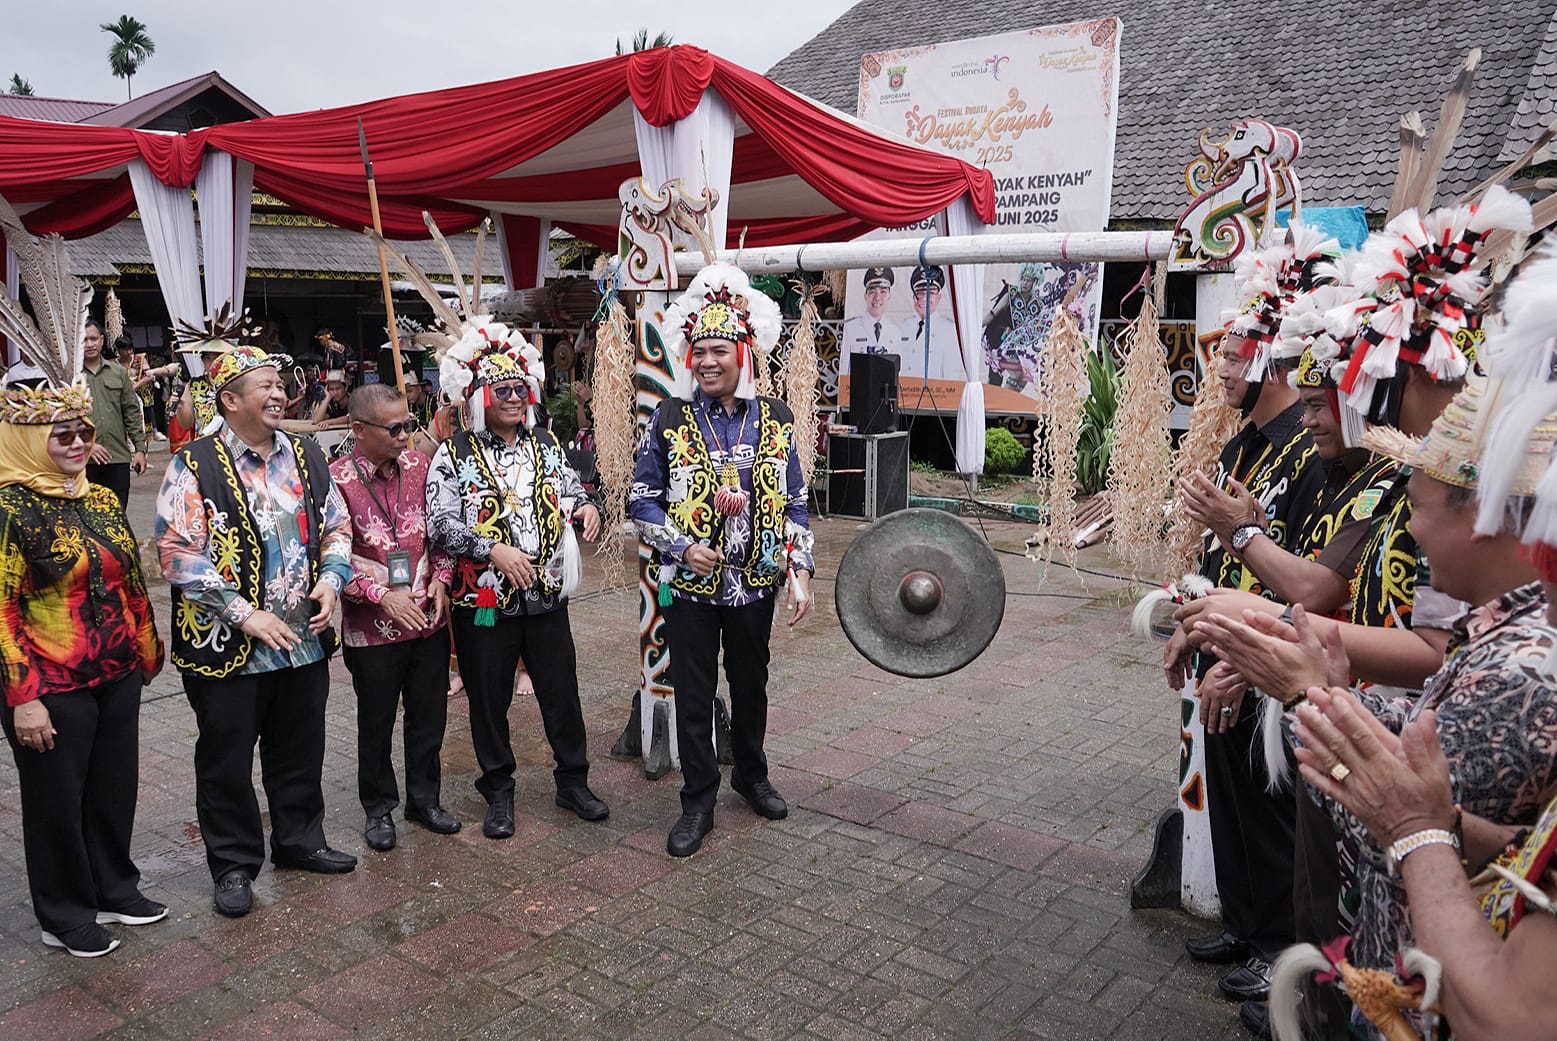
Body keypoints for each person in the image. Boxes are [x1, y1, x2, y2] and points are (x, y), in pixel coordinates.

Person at [1196, 379, 1557, 1041]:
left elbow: (1389, 819)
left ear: (1483, 520)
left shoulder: (1521, 672)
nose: (1412, 529)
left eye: (1419, 509)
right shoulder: (1500, 633)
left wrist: (1310, 698)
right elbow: (1455, 817)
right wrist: (1335, 696)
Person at [1164, 231, 1330, 1015]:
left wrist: (1241, 651)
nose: (1222, 370)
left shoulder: (1307, 451)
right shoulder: (1245, 444)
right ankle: (1245, 923)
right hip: (1224, 647)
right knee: (1229, 799)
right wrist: (1193, 625)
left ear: (1271, 356)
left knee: (1269, 811)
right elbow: (1222, 553)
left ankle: (1276, 950)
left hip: (1269, 659)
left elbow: (1301, 576)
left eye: (1234, 357)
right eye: (1221, 356)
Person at [0, 224, 166, 959]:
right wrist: (22, 696)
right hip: (52, 681)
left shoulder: (97, 496)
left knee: (113, 785)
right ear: (27, 436)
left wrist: (146, 648)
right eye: (60, 434)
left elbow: (129, 575)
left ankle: (114, 887)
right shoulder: (8, 508)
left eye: (81, 432)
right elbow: (0, 610)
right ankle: (65, 911)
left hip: (115, 671)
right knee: (55, 800)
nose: (75, 444)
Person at [155, 344, 357, 918]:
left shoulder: (307, 454)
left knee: (299, 749)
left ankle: (300, 840)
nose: (278, 393)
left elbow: (337, 524)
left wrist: (332, 578)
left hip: (302, 641)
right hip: (229, 647)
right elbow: (177, 552)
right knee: (226, 759)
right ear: (229, 400)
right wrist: (245, 614)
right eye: (264, 385)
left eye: (279, 384)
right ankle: (233, 864)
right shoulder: (194, 464)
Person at [629, 263, 816, 857]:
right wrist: (681, 546)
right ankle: (698, 800)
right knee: (693, 691)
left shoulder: (776, 418)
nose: (707, 362)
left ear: (744, 354)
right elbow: (641, 500)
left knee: (752, 685)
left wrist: (800, 570)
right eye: (700, 352)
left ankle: (752, 776)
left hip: (755, 585)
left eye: (719, 351)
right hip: (690, 587)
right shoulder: (669, 418)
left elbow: (796, 502)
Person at [425, 320, 608, 839]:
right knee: (488, 698)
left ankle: (573, 782)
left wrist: (586, 507)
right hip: (485, 599)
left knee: (561, 692)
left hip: (546, 595)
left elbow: (571, 488)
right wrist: (493, 550)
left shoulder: (545, 443)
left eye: (519, 389)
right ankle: (498, 791)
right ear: (478, 396)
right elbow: (439, 523)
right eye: (501, 390)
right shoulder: (454, 452)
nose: (512, 398)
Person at [330, 384, 460, 851]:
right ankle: (379, 808)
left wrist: (442, 578)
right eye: (395, 428)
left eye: (409, 424)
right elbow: (330, 557)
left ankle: (424, 801)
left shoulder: (422, 467)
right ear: (359, 429)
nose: (406, 435)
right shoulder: (336, 480)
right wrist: (380, 596)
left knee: (429, 717)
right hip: (372, 630)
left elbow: (442, 532)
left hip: (427, 620)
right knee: (376, 721)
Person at [80, 318, 147, 508]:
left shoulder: (118, 373)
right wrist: (86, 445)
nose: (89, 344)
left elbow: (131, 412)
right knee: (89, 515)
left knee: (118, 513)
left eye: (93, 339)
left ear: (101, 340)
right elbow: (63, 420)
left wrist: (140, 450)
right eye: (84, 340)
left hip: (117, 457)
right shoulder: (70, 376)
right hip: (83, 460)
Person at [899, 265, 963, 384]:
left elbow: (952, 378)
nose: (924, 298)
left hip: (934, 394)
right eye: (919, 293)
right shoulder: (904, 327)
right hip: (905, 393)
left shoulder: (949, 330)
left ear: (939, 297)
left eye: (930, 293)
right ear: (913, 298)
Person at [839, 266, 906, 375]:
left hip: (886, 385)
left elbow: (900, 373)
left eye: (883, 292)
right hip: (859, 385)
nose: (877, 298)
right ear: (865, 296)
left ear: (889, 296)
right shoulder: (851, 329)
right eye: (872, 292)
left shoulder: (896, 332)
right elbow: (844, 369)